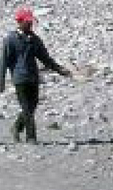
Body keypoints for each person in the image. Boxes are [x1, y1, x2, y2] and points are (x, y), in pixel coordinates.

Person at [3, 8, 70, 143]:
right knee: (26, 107)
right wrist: (1, 81)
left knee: (32, 106)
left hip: (33, 77)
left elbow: (45, 58)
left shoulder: (35, 39)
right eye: (27, 22)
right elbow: (3, 61)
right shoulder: (10, 39)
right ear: (19, 22)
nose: (30, 25)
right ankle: (31, 137)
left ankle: (16, 127)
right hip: (19, 78)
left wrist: (60, 70)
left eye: (31, 22)